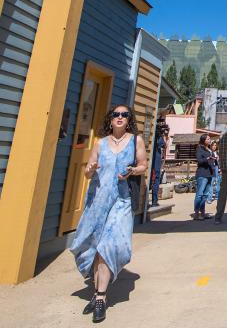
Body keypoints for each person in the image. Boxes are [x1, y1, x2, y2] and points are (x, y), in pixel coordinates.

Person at [69, 104, 146, 323]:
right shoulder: (100, 143)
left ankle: (101, 296)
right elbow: (87, 172)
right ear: (110, 119)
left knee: (109, 245)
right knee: (95, 246)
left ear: (129, 120)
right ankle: (97, 292)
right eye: (116, 114)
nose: (120, 117)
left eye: (124, 115)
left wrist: (132, 171)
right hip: (98, 201)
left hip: (121, 201)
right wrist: (90, 169)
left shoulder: (135, 141)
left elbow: (143, 165)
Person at [193, 135, 215, 220]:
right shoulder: (199, 149)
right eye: (208, 139)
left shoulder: (210, 150)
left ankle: (203, 213)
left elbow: (212, 160)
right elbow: (199, 160)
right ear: (203, 140)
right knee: (200, 194)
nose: (209, 140)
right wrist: (207, 158)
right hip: (202, 174)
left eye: (210, 139)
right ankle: (196, 213)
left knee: (205, 195)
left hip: (210, 174)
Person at [149, 118, 168, 207]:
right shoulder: (158, 135)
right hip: (155, 157)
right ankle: (154, 201)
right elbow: (163, 145)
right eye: (160, 123)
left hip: (155, 157)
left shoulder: (158, 133)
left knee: (154, 178)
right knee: (155, 178)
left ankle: (154, 200)